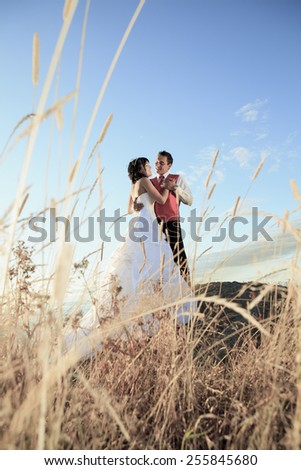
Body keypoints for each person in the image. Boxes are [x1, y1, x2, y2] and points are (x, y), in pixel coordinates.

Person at [64, 157, 196, 359]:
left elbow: (129, 209)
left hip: (138, 224)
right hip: (147, 226)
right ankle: (155, 308)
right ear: (142, 169)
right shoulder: (143, 181)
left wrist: (136, 205)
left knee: (140, 264)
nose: (151, 167)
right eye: (148, 165)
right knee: (153, 261)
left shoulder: (133, 185)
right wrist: (169, 188)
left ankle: (142, 306)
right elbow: (160, 200)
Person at [135, 151, 192, 285]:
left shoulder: (178, 178)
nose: (158, 165)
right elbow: (142, 198)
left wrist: (175, 188)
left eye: (162, 163)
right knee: (160, 259)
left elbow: (189, 200)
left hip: (172, 222)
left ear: (169, 165)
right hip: (155, 225)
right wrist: (136, 202)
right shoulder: (150, 182)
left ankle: (189, 291)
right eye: (156, 163)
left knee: (179, 257)